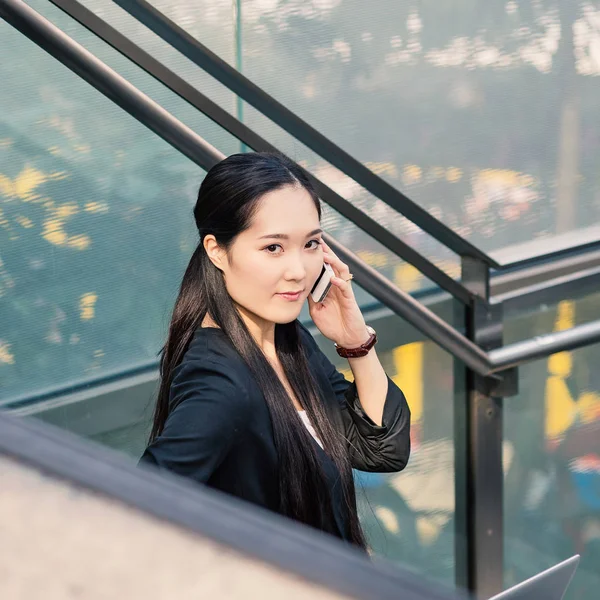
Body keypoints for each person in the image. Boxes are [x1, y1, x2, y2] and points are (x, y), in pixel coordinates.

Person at [139, 152, 411, 551]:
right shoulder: (221, 382)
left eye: (311, 244)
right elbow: (137, 504)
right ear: (216, 250)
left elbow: (381, 449)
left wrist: (355, 342)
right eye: (273, 248)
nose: (299, 270)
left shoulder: (287, 342)